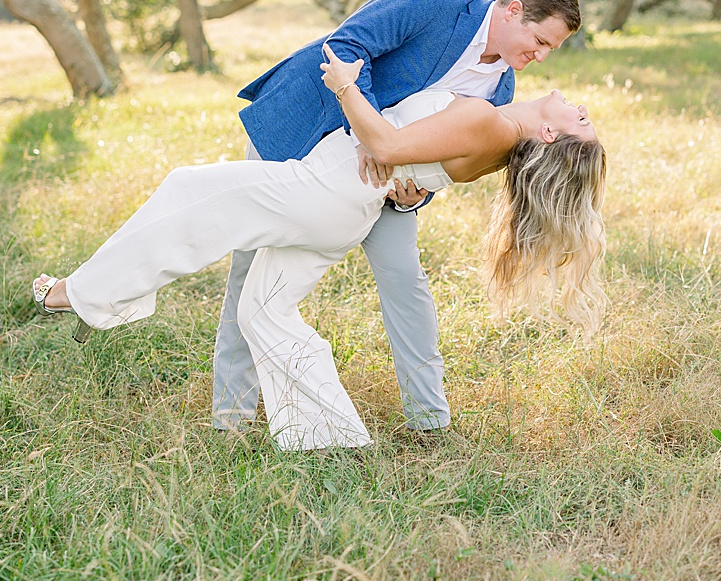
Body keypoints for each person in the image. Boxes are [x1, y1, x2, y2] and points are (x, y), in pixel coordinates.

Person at [32, 47, 606, 448]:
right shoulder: (494, 128)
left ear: (552, 135)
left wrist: (345, 85)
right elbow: (409, 165)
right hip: (344, 211)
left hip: (323, 191)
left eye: (582, 121)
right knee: (263, 310)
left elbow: (382, 141)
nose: (581, 107)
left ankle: (84, 295)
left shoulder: (489, 125)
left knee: (188, 187)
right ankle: (325, 435)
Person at [223, 0, 580, 435]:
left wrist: (417, 195)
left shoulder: (500, 91)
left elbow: (447, 153)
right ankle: (231, 416)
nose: (542, 55)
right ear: (513, 10)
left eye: (551, 48)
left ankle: (429, 422)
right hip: (303, 129)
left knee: (405, 281)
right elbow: (345, 48)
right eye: (540, 40)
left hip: (381, 188)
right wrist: (370, 140)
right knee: (249, 270)